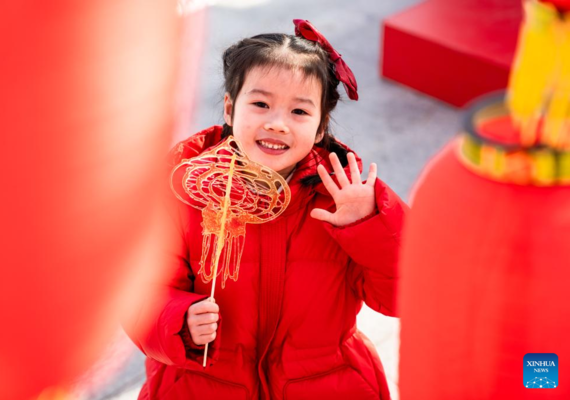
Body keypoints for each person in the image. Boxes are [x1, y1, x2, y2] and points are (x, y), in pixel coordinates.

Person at [125, 19, 409, 400]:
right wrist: (177, 320)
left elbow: (406, 295)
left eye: (299, 112)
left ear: (321, 126)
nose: (277, 123)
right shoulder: (184, 191)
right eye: (260, 104)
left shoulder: (346, 198)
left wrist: (370, 224)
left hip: (326, 383)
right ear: (230, 108)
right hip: (201, 383)